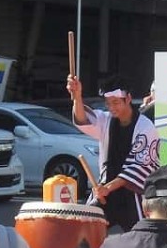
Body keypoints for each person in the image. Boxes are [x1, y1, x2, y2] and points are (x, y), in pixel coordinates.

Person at [66, 72, 160, 232]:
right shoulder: (106, 120)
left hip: (132, 194)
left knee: (140, 237)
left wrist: (107, 188)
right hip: (105, 190)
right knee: (85, 233)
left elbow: (136, 167)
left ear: (128, 99)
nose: (111, 107)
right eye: (108, 103)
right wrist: (77, 96)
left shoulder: (146, 127)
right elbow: (83, 119)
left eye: (116, 102)